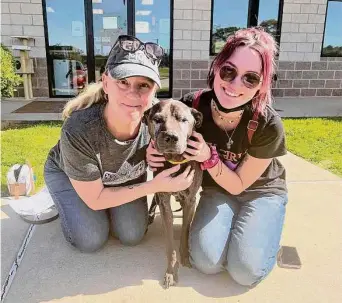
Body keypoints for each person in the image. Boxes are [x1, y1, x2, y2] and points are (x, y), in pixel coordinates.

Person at [146, 27, 287, 287]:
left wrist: (207, 156)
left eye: (251, 78)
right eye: (229, 71)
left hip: (260, 192)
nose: (234, 85)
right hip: (218, 191)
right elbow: (162, 122)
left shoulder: (268, 124)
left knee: (245, 271)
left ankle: (263, 240)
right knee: (206, 262)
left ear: (262, 84)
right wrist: (152, 148)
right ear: (217, 67)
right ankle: (242, 233)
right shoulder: (193, 105)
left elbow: (238, 184)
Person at [44, 35, 195, 253]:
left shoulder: (157, 117)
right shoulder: (79, 129)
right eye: (123, 82)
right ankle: (67, 200)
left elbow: (189, 128)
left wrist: (202, 153)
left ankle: (102, 206)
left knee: (132, 235)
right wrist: (155, 186)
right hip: (69, 174)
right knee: (91, 239)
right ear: (106, 83)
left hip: (119, 178)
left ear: (154, 91)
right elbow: (96, 200)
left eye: (143, 85)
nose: (132, 93)